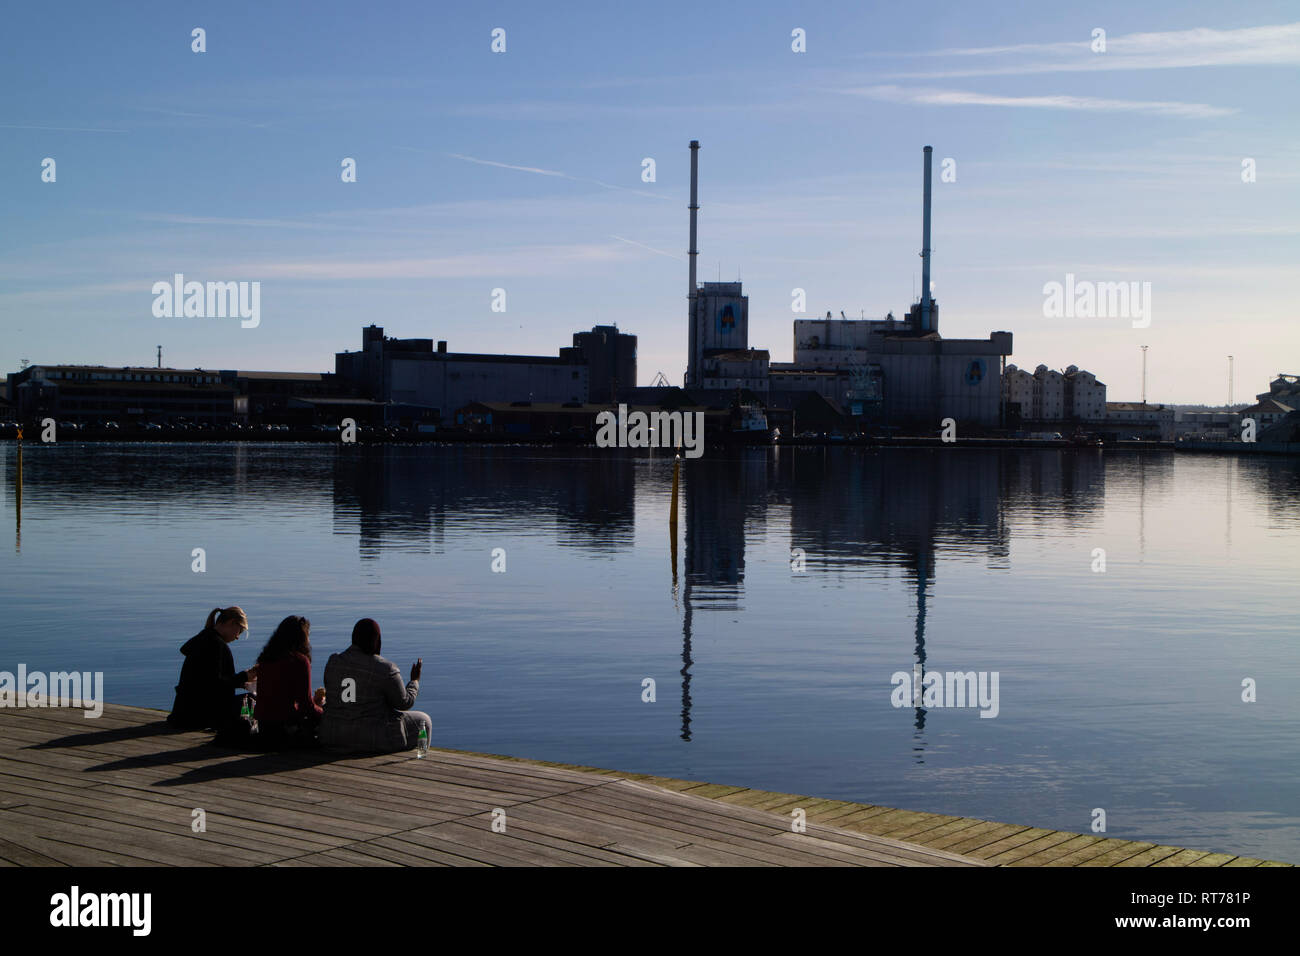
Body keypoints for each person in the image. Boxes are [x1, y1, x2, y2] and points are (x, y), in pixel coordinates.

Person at [319, 618, 430, 753]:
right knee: (424, 721)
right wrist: (414, 681)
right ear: (377, 640)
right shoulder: (386, 668)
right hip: (370, 738)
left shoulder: (334, 661)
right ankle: (421, 760)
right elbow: (404, 703)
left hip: (334, 735)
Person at [168, 606, 257, 730]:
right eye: (239, 631)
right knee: (253, 700)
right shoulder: (217, 645)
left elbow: (207, 681)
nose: (237, 637)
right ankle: (252, 734)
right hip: (201, 716)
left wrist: (242, 682)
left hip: (183, 712)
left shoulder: (202, 638)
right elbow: (216, 684)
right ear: (231, 623)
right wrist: (244, 676)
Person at [253, 615, 323, 749]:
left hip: (264, 727)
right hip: (286, 728)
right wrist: (324, 712)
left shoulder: (266, 659)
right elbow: (306, 706)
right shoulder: (300, 661)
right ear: (302, 637)